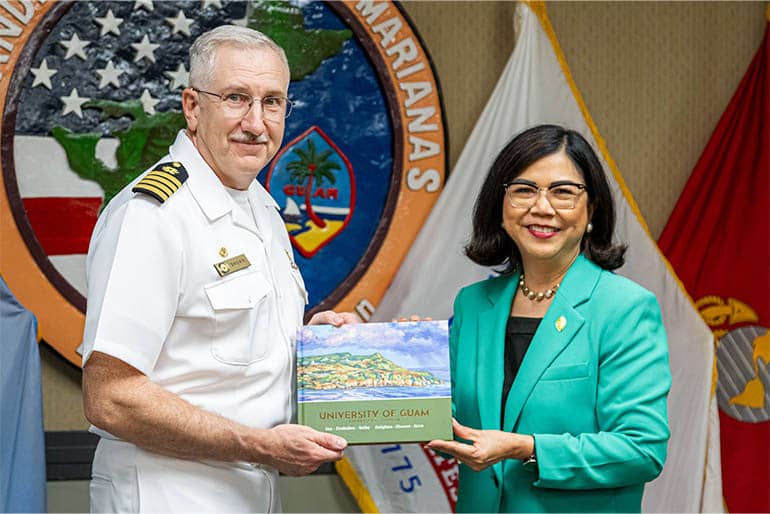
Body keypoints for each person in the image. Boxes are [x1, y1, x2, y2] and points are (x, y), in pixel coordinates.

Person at [81, 25, 357, 512]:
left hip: (249, 488)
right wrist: (257, 444)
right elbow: (112, 397)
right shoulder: (153, 215)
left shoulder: (260, 207)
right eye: (236, 98)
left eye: (272, 102)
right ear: (192, 106)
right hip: (169, 491)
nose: (256, 122)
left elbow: (229, 359)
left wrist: (316, 345)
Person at [426, 124, 671, 513]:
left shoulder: (624, 308)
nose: (542, 207)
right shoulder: (473, 305)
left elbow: (641, 449)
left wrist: (527, 448)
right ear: (500, 207)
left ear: (592, 210)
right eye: (524, 190)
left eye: (563, 192)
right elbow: (445, 419)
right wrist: (392, 354)